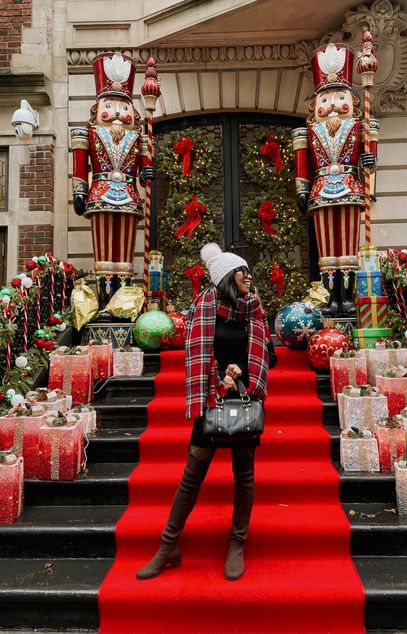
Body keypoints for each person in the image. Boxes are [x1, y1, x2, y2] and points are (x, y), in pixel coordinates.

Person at [136, 243, 276, 582]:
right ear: (228, 276)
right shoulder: (203, 309)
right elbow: (195, 359)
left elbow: (269, 356)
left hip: (242, 401)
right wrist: (218, 378)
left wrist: (240, 372)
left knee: (244, 475)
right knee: (192, 472)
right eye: (243, 271)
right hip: (212, 399)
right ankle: (168, 545)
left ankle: (237, 544)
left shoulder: (254, 309)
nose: (249, 276)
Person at [291, 41, 378, 315]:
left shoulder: (361, 126)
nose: (332, 106)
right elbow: (302, 166)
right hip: (320, 191)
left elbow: (371, 163)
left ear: (352, 102)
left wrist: (370, 163)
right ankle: (331, 298)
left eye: (339, 98)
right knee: (327, 249)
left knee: (349, 248)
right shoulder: (306, 132)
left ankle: (347, 297)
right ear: (315, 105)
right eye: (325, 100)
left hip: (351, 187)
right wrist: (302, 190)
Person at [71, 52, 154, 308]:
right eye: (109, 106)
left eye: (123, 107)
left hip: (129, 196)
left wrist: (147, 172)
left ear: (133, 111)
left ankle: (124, 304)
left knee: (125, 256)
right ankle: (106, 304)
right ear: (97, 110)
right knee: (105, 255)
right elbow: (79, 166)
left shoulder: (140, 138)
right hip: (100, 193)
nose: (117, 113)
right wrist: (79, 191)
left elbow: (145, 168)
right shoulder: (87, 134)